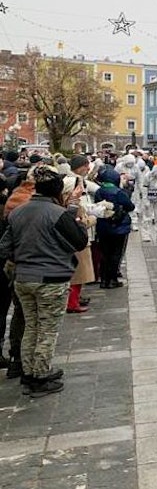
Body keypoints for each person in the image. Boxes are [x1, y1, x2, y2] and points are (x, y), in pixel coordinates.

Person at [0, 166, 88, 397]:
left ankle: (28, 371)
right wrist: (76, 219)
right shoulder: (56, 213)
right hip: (51, 278)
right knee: (47, 329)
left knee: (31, 325)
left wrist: (22, 258)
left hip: (24, 277)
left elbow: (5, 247)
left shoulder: (18, 212)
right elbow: (79, 241)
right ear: (57, 191)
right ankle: (40, 375)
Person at [95, 167, 136, 290]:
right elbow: (130, 206)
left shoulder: (99, 191)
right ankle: (112, 279)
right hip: (119, 227)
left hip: (103, 226)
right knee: (116, 253)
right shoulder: (119, 192)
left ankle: (103, 280)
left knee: (104, 253)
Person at [62, 176, 95, 314]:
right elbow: (80, 223)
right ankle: (72, 303)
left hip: (72, 244)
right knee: (78, 277)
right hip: (78, 244)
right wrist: (93, 219)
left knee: (76, 277)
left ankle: (73, 301)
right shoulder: (72, 205)